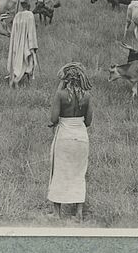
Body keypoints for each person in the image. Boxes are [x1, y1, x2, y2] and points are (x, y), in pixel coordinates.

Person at [47, 63, 94, 221]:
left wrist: (59, 88)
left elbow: (53, 118)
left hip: (64, 136)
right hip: (81, 136)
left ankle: (56, 213)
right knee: (79, 173)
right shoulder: (87, 96)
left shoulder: (60, 95)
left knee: (59, 172)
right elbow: (88, 122)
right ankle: (78, 213)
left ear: (66, 79)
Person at [6, 0, 39, 87]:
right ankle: (17, 81)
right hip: (25, 44)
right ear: (28, 5)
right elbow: (31, 32)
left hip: (16, 44)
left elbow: (14, 32)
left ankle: (13, 81)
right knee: (26, 63)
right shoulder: (29, 15)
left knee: (17, 61)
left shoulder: (17, 15)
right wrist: (33, 47)